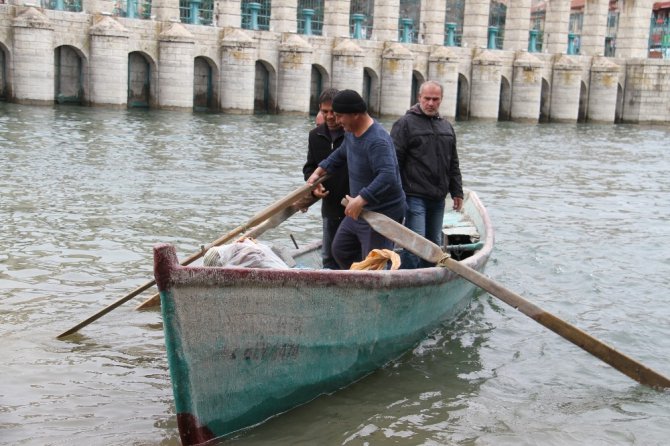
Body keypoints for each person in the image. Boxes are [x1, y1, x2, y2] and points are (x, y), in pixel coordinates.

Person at [307, 89, 405, 270]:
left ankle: (373, 290)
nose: (336, 121)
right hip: (359, 210)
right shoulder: (351, 133)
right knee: (340, 249)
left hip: (381, 212)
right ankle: (357, 280)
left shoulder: (377, 141)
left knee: (373, 262)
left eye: (339, 116)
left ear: (355, 115)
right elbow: (342, 152)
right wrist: (319, 170)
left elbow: (388, 176)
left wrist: (361, 198)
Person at [390, 80, 464, 269]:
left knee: (433, 244)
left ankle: (428, 279)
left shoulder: (446, 127)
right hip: (414, 195)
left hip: (438, 197)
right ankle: (407, 280)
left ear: (441, 100)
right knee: (415, 244)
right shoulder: (405, 124)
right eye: (427, 99)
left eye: (435, 99)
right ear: (419, 98)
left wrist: (457, 191)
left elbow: (453, 162)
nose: (431, 103)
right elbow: (394, 162)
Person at [303, 88, 347, 269]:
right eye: (324, 112)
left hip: (353, 202)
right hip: (329, 204)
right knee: (328, 256)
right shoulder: (315, 135)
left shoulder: (352, 134)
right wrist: (314, 187)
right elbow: (310, 167)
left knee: (349, 252)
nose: (329, 116)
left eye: (333, 112)